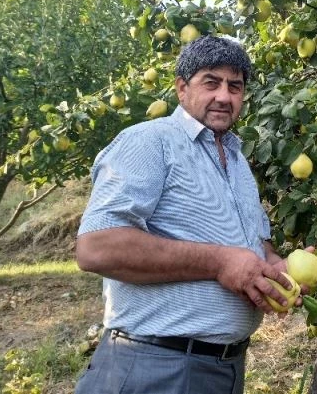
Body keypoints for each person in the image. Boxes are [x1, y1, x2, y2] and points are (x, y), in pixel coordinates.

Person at [75, 35, 295, 394]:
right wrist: (220, 262)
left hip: (224, 369)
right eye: (211, 82)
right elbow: (97, 247)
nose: (224, 96)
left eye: (235, 86)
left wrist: (273, 269)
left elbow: (256, 246)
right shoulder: (149, 141)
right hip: (156, 368)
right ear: (181, 88)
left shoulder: (238, 162)